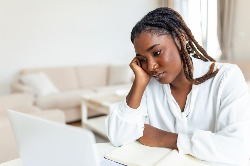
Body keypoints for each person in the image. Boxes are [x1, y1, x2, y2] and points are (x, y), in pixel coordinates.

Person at [105, 7, 250, 165]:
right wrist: (139, 83)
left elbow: (239, 149)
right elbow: (119, 136)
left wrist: (165, 138)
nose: (151, 66)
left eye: (157, 52)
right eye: (143, 60)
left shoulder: (226, 78)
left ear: (181, 39)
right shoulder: (149, 85)